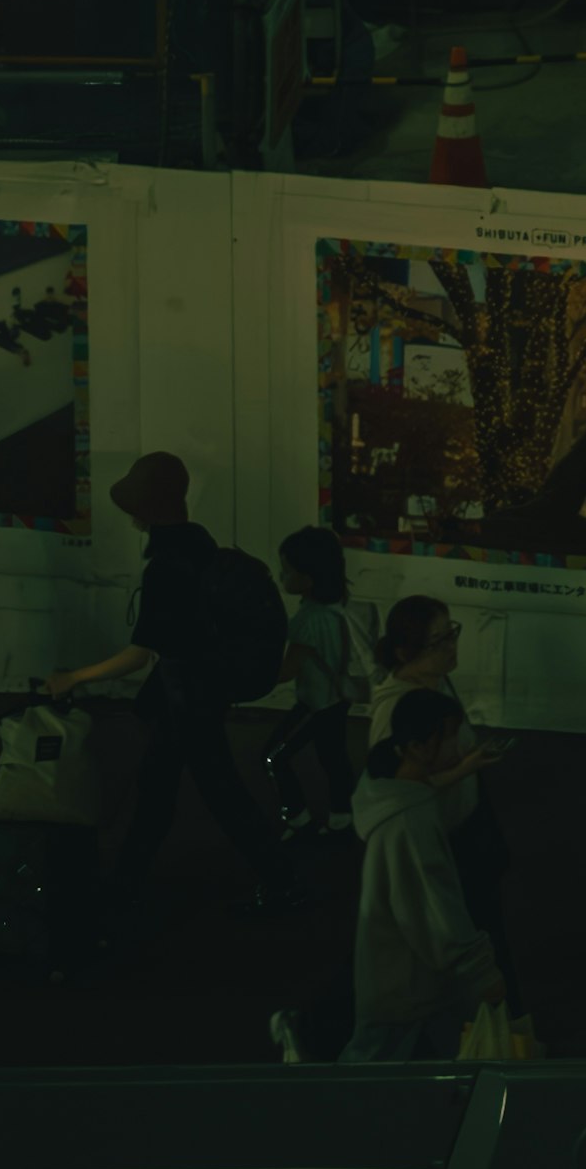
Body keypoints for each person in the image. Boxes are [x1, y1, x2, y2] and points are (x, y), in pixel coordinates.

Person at [44, 454, 291, 921]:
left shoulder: (166, 566)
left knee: (217, 792)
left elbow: (142, 653)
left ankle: (282, 880)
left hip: (189, 695)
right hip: (197, 689)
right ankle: (124, 883)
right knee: (158, 788)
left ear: (145, 507)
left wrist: (74, 677)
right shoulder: (201, 544)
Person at [347, 684, 498, 1062]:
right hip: (407, 985)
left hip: (403, 975)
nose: (458, 749)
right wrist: (482, 974)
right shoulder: (411, 823)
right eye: (449, 739)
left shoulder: (386, 787)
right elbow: (437, 909)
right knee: (367, 1067)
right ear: (418, 747)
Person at [369, 593, 515, 973]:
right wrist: (465, 768)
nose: (451, 647)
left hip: (458, 823)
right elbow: (397, 789)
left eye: (451, 633)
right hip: (435, 839)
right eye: (439, 641)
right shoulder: (397, 709)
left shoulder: (437, 681)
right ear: (406, 652)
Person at [265, 529, 373, 841]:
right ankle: (343, 822)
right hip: (339, 700)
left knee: (273, 756)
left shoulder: (307, 620)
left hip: (316, 705)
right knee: (334, 760)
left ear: (307, 579)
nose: (282, 575)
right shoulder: (338, 606)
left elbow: (285, 672)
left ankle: (299, 821)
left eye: (286, 570)